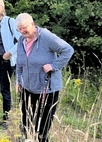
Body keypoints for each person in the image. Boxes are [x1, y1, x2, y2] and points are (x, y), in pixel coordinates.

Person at [15, 13, 74, 142]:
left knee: (44, 122)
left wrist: (54, 65)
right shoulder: (21, 40)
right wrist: (19, 81)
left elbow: (68, 50)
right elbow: (19, 63)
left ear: (32, 23)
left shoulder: (46, 36)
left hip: (47, 87)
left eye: (24, 27)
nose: (22, 31)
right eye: (19, 29)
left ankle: (41, 139)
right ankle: (26, 138)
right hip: (27, 86)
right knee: (26, 117)